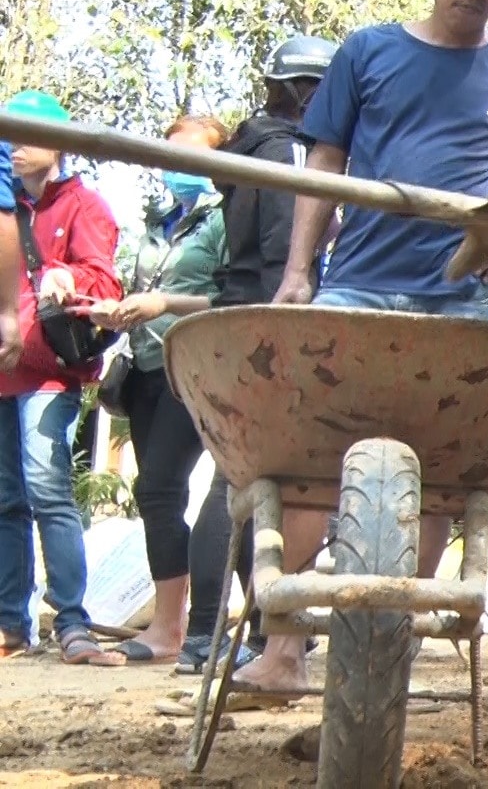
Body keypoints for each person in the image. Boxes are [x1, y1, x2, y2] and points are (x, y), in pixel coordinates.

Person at [241, 0, 488, 694]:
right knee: (317, 461)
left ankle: (384, 653)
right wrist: (298, 271)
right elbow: (324, 160)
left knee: (442, 474)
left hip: (458, 302)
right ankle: (284, 649)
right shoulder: (369, 51)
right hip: (358, 283)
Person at [175, 35, 335, 675]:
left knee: (244, 479)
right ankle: (208, 635)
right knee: (239, 481)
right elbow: (280, 247)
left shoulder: (248, 148)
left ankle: (237, 629)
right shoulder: (286, 153)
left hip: (235, 313)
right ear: (306, 93)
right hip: (269, 322)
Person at [89, 116, 229, 663]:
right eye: (168, 156)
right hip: (144, 364)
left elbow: (234, 296)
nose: (177, 168)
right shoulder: (158, 220)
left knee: (164, 488)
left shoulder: (224, 221)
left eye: (189, 157)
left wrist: (166, 305)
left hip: (192, 366)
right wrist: (122, 307)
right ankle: (172, 625)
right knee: (159, 496)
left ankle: (179, 628)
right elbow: (147, 287)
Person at [0, 90, 124, 667]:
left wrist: (61, 275)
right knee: (4, 500)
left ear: (60, 143)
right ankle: (10, 623)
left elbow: (106, 284)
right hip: (3, 371)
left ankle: (73, 624)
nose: (15, 146)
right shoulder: (5, 206)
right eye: (9, 136)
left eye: (26, 135)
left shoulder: (85, 207)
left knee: (47, 491)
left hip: (50, 375)